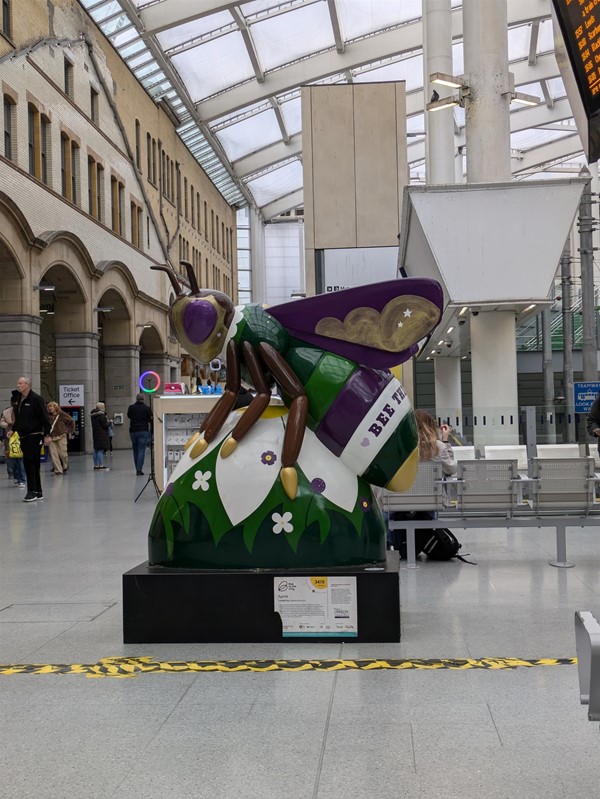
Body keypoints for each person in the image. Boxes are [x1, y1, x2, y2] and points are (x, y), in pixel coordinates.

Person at [13, 376, 51, 502]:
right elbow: (18, 418)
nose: (18, 385)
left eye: (21, 383)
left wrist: (47, 435)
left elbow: (45, 418)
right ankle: (38, 491)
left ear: (27, 385)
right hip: (23, 436)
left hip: (34, 435)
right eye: (18, 383)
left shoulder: (36, 399)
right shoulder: (18, 399)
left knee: (29, 461)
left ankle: (31, 491)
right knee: (32, 462)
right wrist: (13, 430)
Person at [1, 391, 26, 487]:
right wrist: (7, 424)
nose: (15, 404)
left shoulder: (23, 410)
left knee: (20, 458)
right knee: (11, 458)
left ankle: (22, 479)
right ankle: (13, 474)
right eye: (13, 402)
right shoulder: (6, 412)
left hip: (21, 436)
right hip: (9, 437)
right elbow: (2, 422)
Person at [46, 402, 75, 476]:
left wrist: (69, 431)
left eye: (51, 406)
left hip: (61, 436)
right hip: (51, 437)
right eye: (48, 407)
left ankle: (65, 465)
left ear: (55, 407)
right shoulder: (47, 416)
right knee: (54, 455)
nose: (49, 408)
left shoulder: (62, 414)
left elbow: (72, 421)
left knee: (63, 454)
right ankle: (58, 470)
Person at [127, 392, 152, 475]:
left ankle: (137, 467)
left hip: (133, 430)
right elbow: (150, 418)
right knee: (141, 450)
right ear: (143, 399)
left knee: (135, 450)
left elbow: (129, 416)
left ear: (136, 399)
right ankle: (139, 469)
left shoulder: (131, 407)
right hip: (143, 430)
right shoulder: (147, 408)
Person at [90, 402, 110, 470]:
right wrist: (109, 422)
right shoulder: (102, 415)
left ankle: (96, 465)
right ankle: (101, 465)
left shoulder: (93, 415)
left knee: (96, 449)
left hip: (95, 434)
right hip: (102, 434)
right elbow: (105, 425)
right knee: (100, 450)